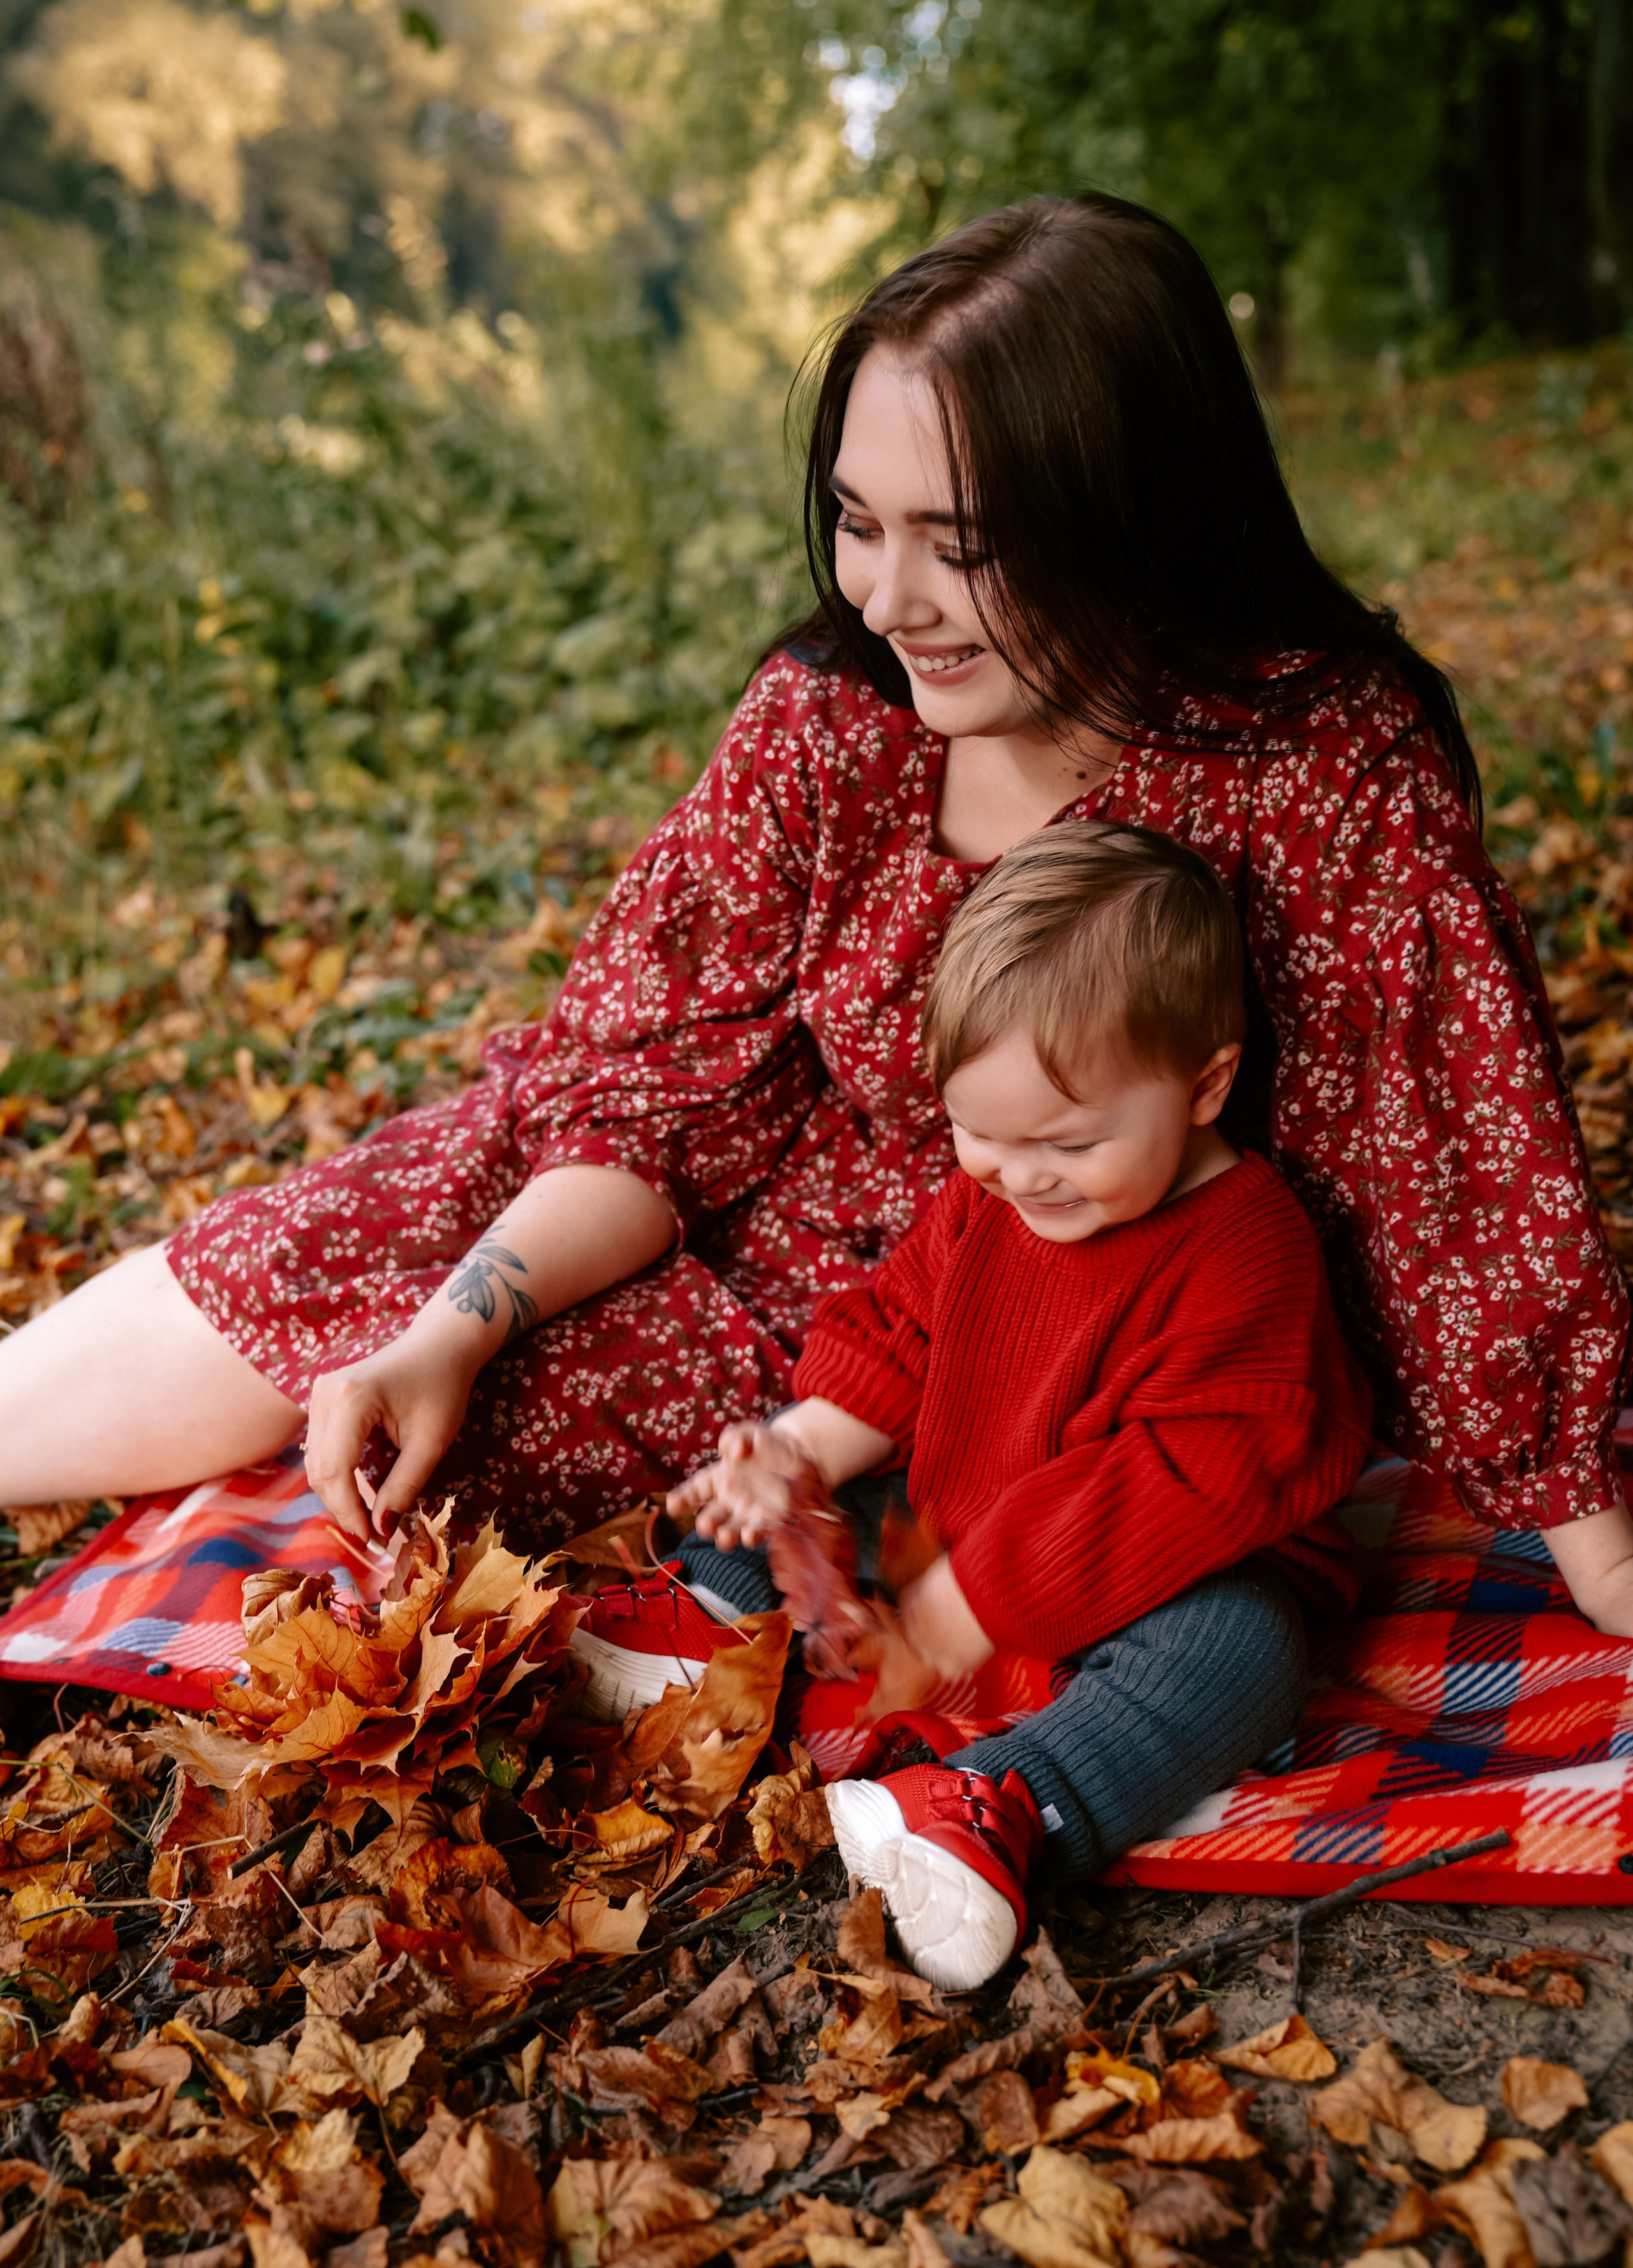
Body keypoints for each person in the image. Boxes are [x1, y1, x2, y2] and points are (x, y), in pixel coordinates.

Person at [1, 191, 1630, 1653]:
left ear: (1130, 512)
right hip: (707, 1193)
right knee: (398, 1244)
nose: (881, 596)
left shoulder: (1315, 765)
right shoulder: (834, 722)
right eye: (857, 520)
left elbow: (1455, 1182)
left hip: (932, 1329)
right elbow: (651, 1098)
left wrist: (1592, 1535)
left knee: (464, 1462)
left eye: (959, 545)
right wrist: (455, 1318)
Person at [661, 822, 1373, 1988]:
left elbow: (1192, 1472)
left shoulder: (1249, 1249)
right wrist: (793, 1455)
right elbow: (898, 1333)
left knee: (1245, 1650)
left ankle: (1007, 1805)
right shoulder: (988, 1199)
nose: (1018, 1173)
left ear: (1207, 1085)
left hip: (1160, 1569)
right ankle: (707, 1626)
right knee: (806, 1495)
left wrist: (978, 1597)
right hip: (970, 1514)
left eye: (1069, 1142)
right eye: (975, 1132)